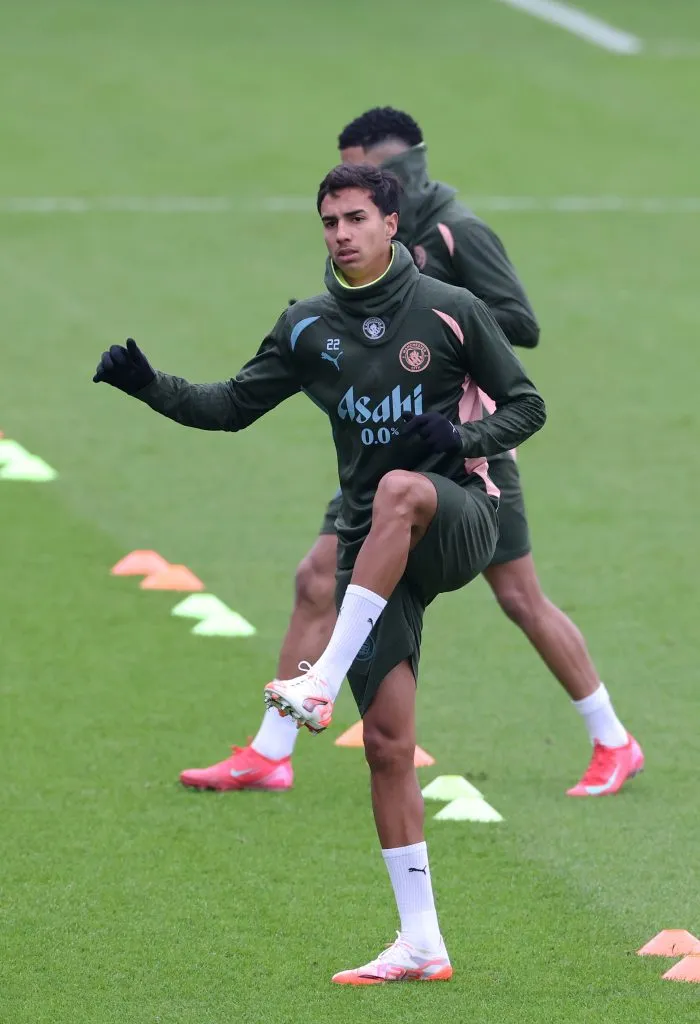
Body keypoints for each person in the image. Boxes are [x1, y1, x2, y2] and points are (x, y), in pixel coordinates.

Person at [93, 163, 546, 982]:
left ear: (390, 226)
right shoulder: (307, 326)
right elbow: (228, 407)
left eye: (355, 217)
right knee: (386, 747)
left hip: (457, 518)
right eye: (329, 220)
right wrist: (146, 385)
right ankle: (421, 944)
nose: (340, 232)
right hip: (371, 550)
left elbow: (527, 403)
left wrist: (464, 440)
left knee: (403, 489)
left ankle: (319, 677)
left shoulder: (452, 310)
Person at [180, 107, 644, 798]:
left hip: (461, 454)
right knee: (316, 577)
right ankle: (271, 749)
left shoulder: (457, 229)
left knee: (519, 596)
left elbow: (521, 324)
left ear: (391, 175)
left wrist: (436, 303)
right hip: (380, 448)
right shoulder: (367, 239)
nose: (347, 211)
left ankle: (613, 739)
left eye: (361, 173)